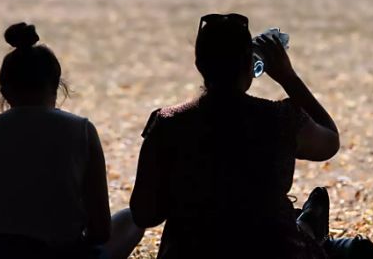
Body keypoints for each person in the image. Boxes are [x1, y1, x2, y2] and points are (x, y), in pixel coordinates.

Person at [129, 14, 341, 259]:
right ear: (249, 65)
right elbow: (330, 142)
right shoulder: (281, 119)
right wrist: (288, 77)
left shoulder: (168, 123)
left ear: (199, 64)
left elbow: (143, 214)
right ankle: (307, 225)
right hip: (273, 250)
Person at [0, 23, 144, 259]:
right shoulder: (81, 130)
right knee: (134, 219)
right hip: (59, 253)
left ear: (4, 91)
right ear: (57, 88)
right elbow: (100, 230)